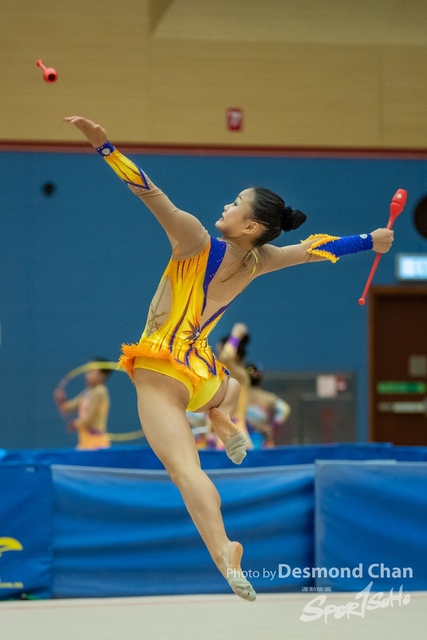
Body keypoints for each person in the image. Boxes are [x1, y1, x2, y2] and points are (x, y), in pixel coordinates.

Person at [63, 115, 394, 601]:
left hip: (159, 368)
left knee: (185, 471)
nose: (227, 205)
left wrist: (105, 147)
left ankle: (224, 551)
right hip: (202, 372)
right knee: (231, 388)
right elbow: (314, 250)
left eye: (236, 203)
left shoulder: (195, 241)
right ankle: (221, 418)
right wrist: (369, 241)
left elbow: (150, 192)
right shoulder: (260, 260)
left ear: (252, 225)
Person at [54, 357, 112, 450]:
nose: (87, 375)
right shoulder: (87, 392)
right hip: (85, 441)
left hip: (96, 443)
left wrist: (75, 424)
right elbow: (66, 408)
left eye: (92, 372)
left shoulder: (100, 391)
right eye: (87, 372)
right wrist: (61, 399)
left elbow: (90, 419)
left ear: (102, 375)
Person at [217, 323, 253, 447]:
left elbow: (225, 357)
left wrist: (235, 335)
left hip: (237, 438)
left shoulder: (241, 376)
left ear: (235, 354)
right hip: (225, 439)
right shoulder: (224, 379)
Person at [246, 363, 291, 447]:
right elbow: (284, 409)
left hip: (247, 439)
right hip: (259, 439)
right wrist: (273, 427)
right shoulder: (267, 397)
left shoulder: (237, 397)